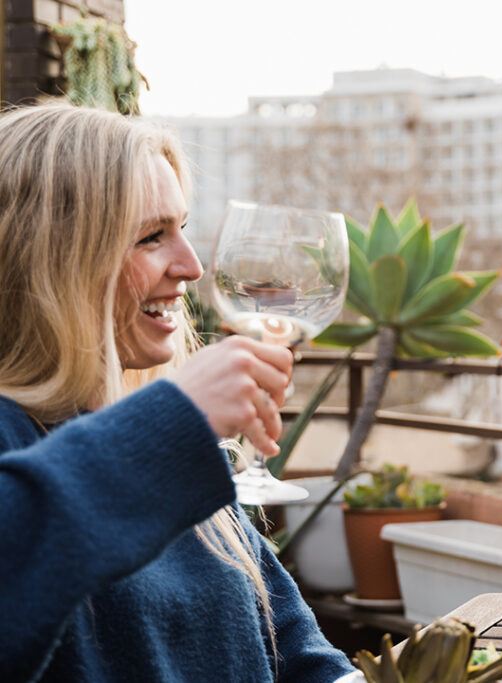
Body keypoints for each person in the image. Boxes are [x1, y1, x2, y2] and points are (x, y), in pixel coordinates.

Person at [0, 103, 354, 681]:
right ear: (51, 259)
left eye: (182, 228)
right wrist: (172, 423)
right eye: (149, 237)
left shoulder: (174, 452)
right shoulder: (143, 442)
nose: (190, 267)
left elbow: (292, 647)